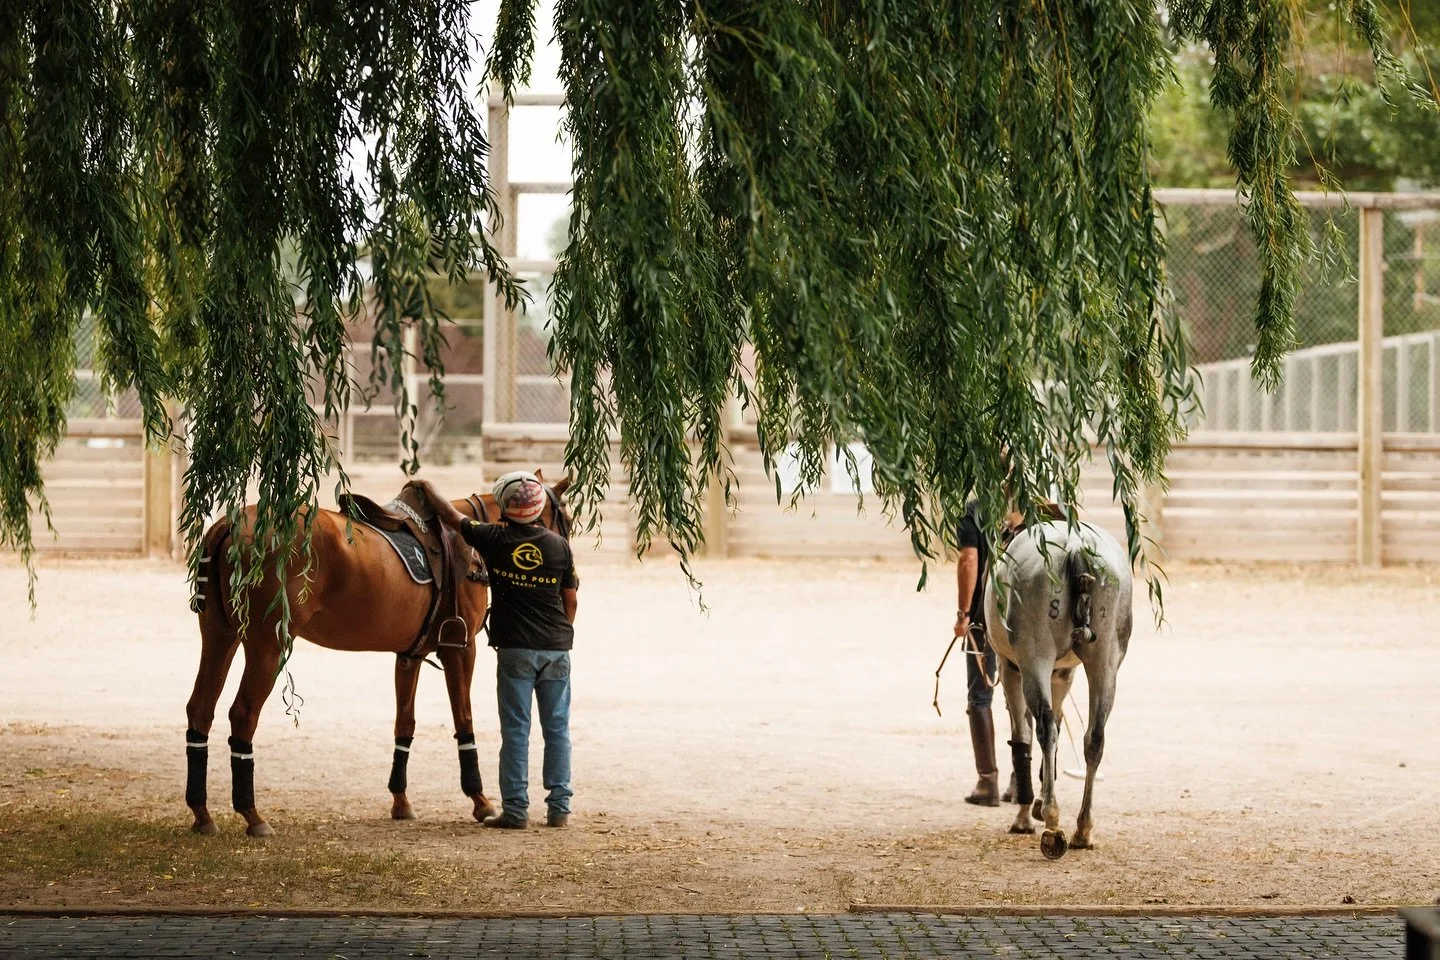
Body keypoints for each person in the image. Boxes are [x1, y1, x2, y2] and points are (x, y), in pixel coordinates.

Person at [418, 471, 579, 829]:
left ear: (504, 506)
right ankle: (559, 808)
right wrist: (561, 634)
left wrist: (429, 489)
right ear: (541, 508)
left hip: (515, 651)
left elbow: (452, 518)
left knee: (516, 731)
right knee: (557, 731)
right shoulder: (559, 547)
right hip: (556, 651)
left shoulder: (494, 538)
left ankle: (517, 810)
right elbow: (570, 600)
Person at [954, 499, 1002, 806]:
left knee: (980, 695)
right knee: (1024, 693)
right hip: (1029, 619)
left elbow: (969, 560)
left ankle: (988, 782)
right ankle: (1021, 781)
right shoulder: (1033, 507)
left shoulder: (973, 511)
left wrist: (963, 613)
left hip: (985, 618)